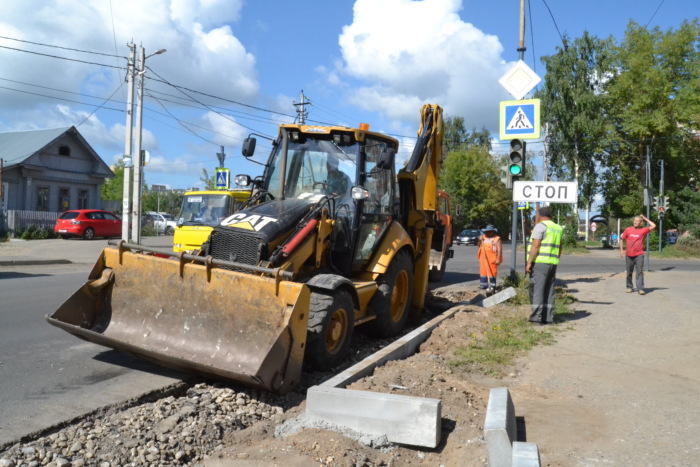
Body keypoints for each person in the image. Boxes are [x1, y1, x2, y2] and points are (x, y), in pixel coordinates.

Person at [526, 206, 563, 325]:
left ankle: (536, 318)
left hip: (540, 262)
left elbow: (535, 246)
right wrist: (556, 258)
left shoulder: (540, 226)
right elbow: (560, 246)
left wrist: (529, 262)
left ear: (540, 216)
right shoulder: (558, 227)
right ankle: (548, 317)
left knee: (538, 289)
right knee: (549, 290)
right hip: (552, 262)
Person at [619, 214, 656, 295]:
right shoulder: (628, 229)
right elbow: (622, 239)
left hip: (639, 254)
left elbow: (653, 225)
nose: (635, 222)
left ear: (641, 223)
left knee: (639, 272)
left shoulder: (643, 230)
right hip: (629, 254)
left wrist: (645, 218)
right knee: (629, 272)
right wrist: (621, 250)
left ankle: (640, 288)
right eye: (634, 221)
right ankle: (629, 287)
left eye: (637, 221)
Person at [477, 225, 502, 290]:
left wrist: (498, 259)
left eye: (489, 231)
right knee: (483, 271)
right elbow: (478, 245)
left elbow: (499, 249)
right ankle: (483, 285)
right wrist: (480, 240)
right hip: (483, 258)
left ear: (493, 232)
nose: (487, 233)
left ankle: (492, 286)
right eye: (486, 231)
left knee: (492, 272)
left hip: (492, 258)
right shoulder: (483, 237)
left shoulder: (497, 238)